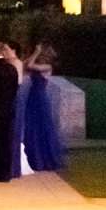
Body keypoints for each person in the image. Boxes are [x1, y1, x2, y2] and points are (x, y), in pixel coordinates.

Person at [20, 43, 68, 172]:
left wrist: (36, 52)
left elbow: (30, 65)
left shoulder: (48, 66)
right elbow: (25, 65)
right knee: (31, 127)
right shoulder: (37, 65)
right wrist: (34, 54)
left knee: (42, 126)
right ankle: (34, 158)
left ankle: (45, 159)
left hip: (40, 98)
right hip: (32, 97)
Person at [0, 40, 21, 181]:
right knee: (6, 141)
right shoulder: (11, 69)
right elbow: (15, 89)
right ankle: (6, 171)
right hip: (9, 108)